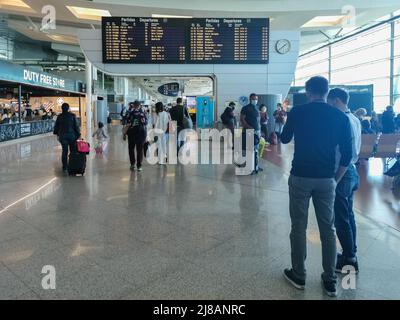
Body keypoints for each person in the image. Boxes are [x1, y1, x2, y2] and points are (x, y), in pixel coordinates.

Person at [280, 76, 353, 297]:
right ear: (326, 91)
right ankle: (330, 279)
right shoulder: (340, 116)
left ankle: (299, 274)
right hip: (326, 179)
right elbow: (347, 156)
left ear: (308, 91)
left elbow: (284, 139)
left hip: (300, 176)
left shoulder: (298, 112)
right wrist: (335, 179)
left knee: (298, 227)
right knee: (328, 230)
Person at [327, 88, 362, 274]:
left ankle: (349, 260)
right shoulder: (355, 118)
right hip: (352, 171)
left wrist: (335, 180)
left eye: (329, 101)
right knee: (349, 215)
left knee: (341, 218)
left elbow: (344, 154)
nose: (328, 105)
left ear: (336, 101)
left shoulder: (344, 120)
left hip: (343, 172)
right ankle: (351, 252)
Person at [53, 103, 81, 173]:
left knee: (64, 151)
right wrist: (78, 134)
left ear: (62, 108)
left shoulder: (59, 116)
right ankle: (72, 165)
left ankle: (64, 167)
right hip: (72, 136)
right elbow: (76, 126)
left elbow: (56, 126)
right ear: (68, 108)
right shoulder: (72, 116)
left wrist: (57, 134)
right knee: (72, 151)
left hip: (63, 136)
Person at [240, 93, 262, 174]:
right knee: (249, 150)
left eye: (256, 99)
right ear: (250, 99)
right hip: (248, 131)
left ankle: (256, 165)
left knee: (256, 149)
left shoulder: (256, 108)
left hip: (257, 131)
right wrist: (248, 127)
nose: (255, 100)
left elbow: (257, 120)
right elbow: (242, 119)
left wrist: (259, 130)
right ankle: (249, 167)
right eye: (253, 99)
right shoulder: (245, 108)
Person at [124, 101, 147, 171]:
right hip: (141, 133)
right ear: (139, 106)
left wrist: (124, 133)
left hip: (131, 133)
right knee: (139, 150)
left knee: (131, 149)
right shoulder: (142, 114)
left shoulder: (130, 113)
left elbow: (127, 125)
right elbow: (145, 125)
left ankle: (132, 164)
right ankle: (139, 166)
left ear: (133, 106)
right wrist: (146, 136)